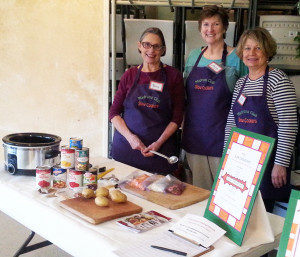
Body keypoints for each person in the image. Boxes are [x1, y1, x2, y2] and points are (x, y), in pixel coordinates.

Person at [224, 27, 298, 212]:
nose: (252, 53)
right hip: (243, 163)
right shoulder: (242, 82)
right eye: (247, 48)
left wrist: (280, 164)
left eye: (258, 48)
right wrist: (227, 157)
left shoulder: (278, 80)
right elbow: (232, 122)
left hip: (269, 165)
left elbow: (288, 126)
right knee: (241, 214)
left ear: (267, 51)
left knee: (265, 218)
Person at [181, 5, 248, 190]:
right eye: (205, 24)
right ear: (200, 29)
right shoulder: (194, 56)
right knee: (198, 192)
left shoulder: (237, 57)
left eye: (216, 24)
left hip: (224, 137)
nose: (210, 29)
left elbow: (245, 97)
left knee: (224, 192)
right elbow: (185, 96)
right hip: (195, 135)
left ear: (225, 27)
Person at [109, 27, 185, 175]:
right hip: (126, 150)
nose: (151, 50)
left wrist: (158, 143)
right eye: (147, 45)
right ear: (139, 46)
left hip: (159, 153)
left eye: (157, 46)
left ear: (163, 50)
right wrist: (131, 138)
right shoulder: (129, 75)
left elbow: (177, 118)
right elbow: (114, 113)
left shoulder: (173, 76)